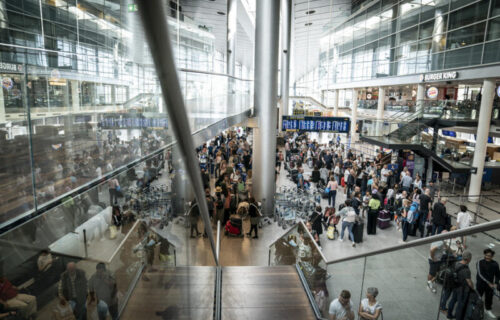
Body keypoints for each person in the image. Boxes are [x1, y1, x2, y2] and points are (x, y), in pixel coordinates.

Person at [447, 251, 474, 320]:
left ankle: (449, 314)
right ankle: (458, 318)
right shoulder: (466, 269)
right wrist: (472, 288)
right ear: (468, 259)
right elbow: (469, 282)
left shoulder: (456, 263)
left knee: (453, 300)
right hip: (462, 289)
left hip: (455, 285)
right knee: (460, 305)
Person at [476, 248, 500, 319]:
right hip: (480, 284)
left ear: (492, 256)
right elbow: (480, 274)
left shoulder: (495, 264)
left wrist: (496, 283)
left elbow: (498, 275)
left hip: (490, 285)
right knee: (478, 297)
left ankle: (488, 309)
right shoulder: (480, 262)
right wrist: (488, 283)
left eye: (489, 256)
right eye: (486, 255)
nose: (487, 257)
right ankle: (476, 310)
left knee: (489, 298)